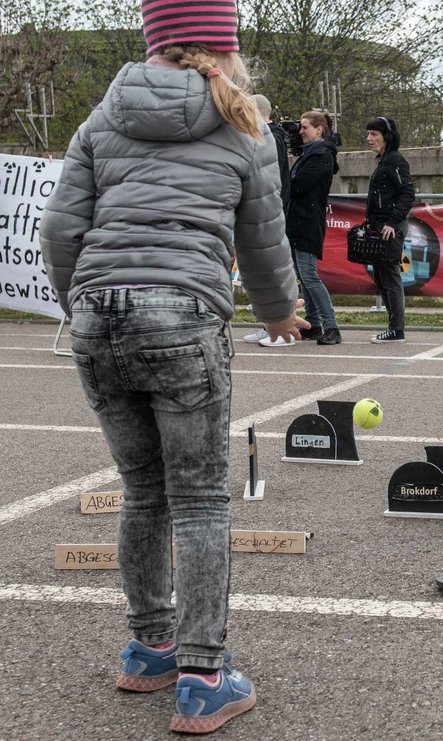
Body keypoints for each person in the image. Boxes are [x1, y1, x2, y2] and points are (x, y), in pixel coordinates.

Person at [39, 0, 307, 733]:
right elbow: (264, 236)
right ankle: (203, 675)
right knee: (199, 500)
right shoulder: (243, 121)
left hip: (97, 317)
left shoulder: (101, 118)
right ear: (224, 47)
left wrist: (84, 303)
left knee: (142, 491)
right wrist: (278, 313)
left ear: (153, 42)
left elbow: (60, 229)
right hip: (182, 316)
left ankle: (149, 647)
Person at [245, 93, 296, 348]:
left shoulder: (270, 138)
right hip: (271, 206)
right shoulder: (269, 136)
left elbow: (268, 178)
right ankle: (268, 324)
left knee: (272, 268)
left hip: (273, 208)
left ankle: (280, 327)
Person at [287, 109, 341, 345]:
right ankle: (313, 323)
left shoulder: (322, 156)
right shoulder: (309, 154)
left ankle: (331, 326)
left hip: (308, 221)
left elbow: (298, 185)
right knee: (303, 275)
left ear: (319, 129)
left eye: (305, 127)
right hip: (298, 220)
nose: (300, 131)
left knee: (309, 275)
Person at [364, 116, 415, 343]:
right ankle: (393, 327)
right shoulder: (384, 160)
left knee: (390, 276)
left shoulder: (395, 160)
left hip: (390, 228)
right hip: (379, 227)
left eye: (374, 134)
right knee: (381, 277)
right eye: (368, 134)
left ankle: (396, 329)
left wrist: (392, 223)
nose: (369, 138)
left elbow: (407, 194)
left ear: (387, 136)